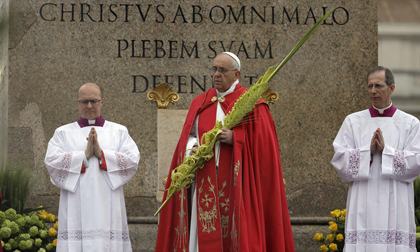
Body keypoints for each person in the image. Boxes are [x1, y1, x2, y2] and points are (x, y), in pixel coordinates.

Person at [155, 52, 295, 251]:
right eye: (214, 69)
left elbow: (266, 148)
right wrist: (191, 149)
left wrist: (236, 139)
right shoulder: (201, 102)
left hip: (238, 183)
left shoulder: (252, 103)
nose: (216, 75)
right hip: (204, 180)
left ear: (236, 74)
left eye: (222, 70)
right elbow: (189, 136)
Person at [331, 66, 420, 252]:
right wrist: (367, 151)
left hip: (396, 200)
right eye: (369, 86)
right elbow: (340, 160)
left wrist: (387, 151)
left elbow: (419, 159)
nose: (373, 91)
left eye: (378, 86)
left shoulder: (410, 123)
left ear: (391, 88)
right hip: (363, 198)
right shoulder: (353, 121)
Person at [45, 83, 139, 252]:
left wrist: (102, 155)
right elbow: (52, 162)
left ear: (102, 101)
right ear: (77, 103)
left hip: (108, 203)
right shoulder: (63, 133)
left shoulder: (119, 131)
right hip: (75, 204)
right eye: (84, 101)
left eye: (94, 101)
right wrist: (83, 156)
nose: (89, 106)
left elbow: (132, 161)